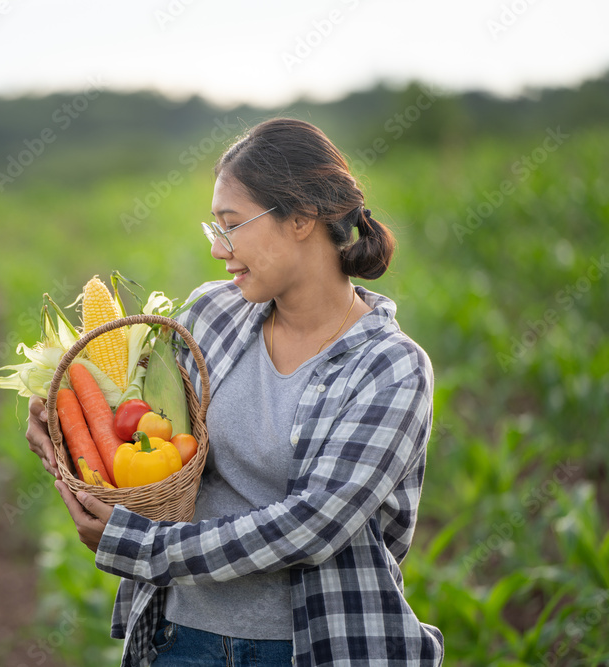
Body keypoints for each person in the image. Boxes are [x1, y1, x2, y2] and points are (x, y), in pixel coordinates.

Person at [25, 118, 443, 666]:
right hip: (180, 641)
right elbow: (146, 432)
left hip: (316, 649)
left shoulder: (389, 368)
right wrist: (67, 428)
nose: (220, 250)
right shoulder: (210, 315)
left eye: (232, 225)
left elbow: (311, 526)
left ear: (302, 217)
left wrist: (144, 547)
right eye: (213, 229)